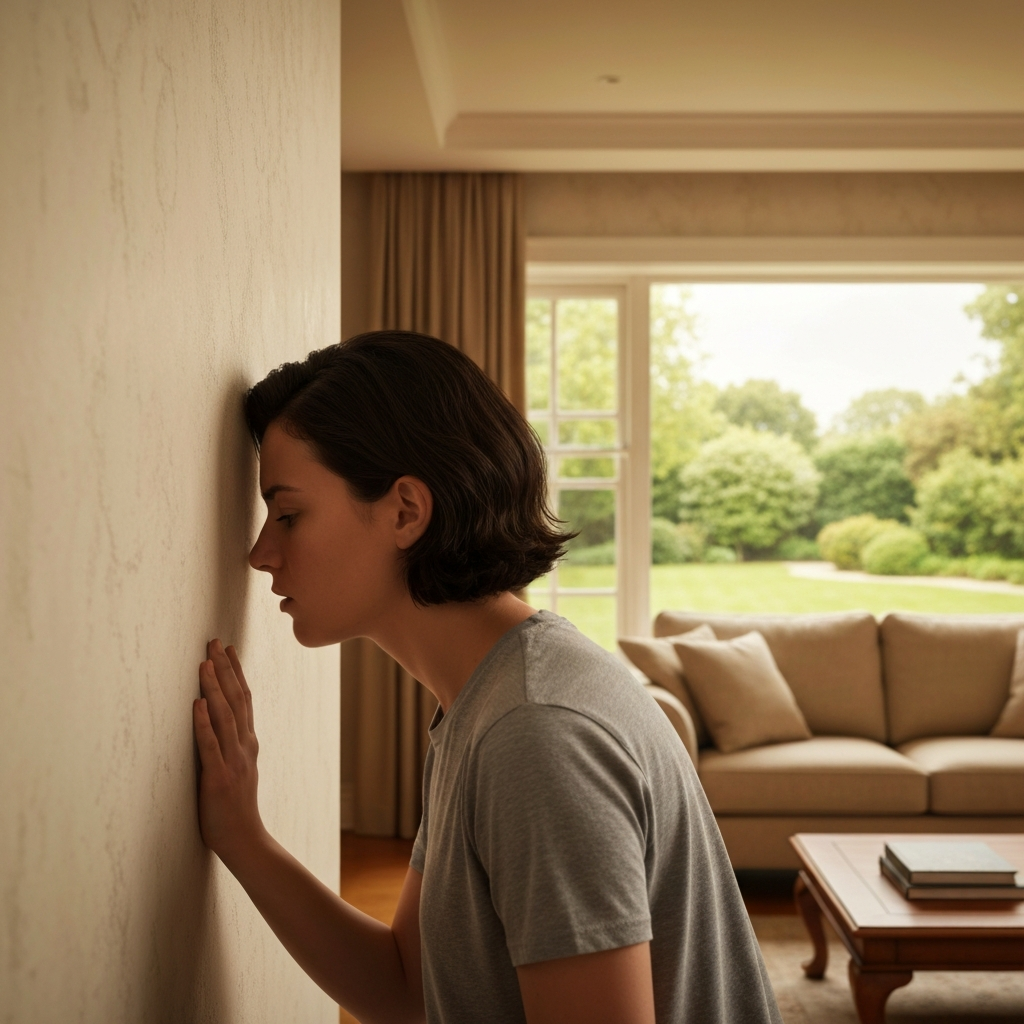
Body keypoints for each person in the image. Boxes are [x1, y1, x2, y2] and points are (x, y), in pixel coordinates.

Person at [193, 331, 782, 1024]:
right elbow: (408, 987)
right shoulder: (486, 703)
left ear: (406, 511)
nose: (261, 553)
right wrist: (242, 837)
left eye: (289, 515)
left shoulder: (535, 735)